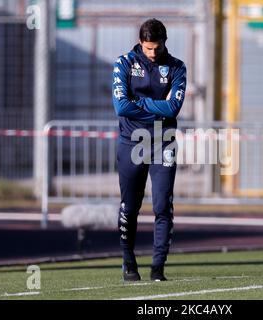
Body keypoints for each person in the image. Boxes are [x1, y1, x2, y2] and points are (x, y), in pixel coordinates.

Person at [112, 18, 187, 281]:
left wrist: (140, 103)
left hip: (163, 141)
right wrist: (156, 107)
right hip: (131, 142)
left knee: (162, 205)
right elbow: (121, 107)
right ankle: (128, 261)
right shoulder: (124, 64)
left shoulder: (177, 67)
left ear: (165, 42)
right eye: (148, 48)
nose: (152, 53)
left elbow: (173, 109)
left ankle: (158, 267)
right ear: (140, 43)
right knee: (130, 206)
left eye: (157, 48)